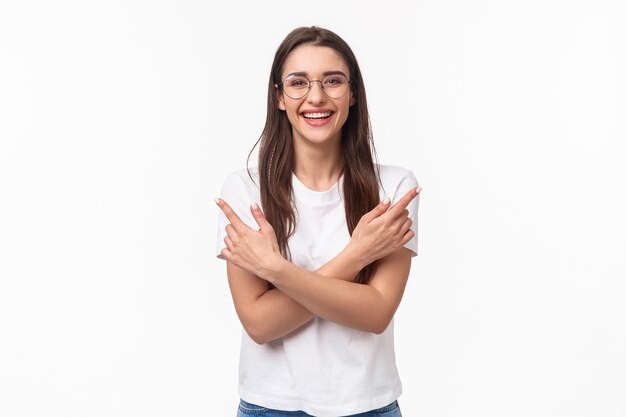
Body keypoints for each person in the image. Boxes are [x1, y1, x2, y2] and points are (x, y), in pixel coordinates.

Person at [215, 26, 421, 417]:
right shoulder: (245, 189)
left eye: (333, 81)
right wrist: (356, 255)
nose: (316, 96)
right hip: (269, 406)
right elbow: (259, 324)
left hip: (368, 406)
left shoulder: (394, 187)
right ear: (279, 96)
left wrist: (276, 270)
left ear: (353, 93)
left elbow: (376, 314)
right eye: (298, 82)